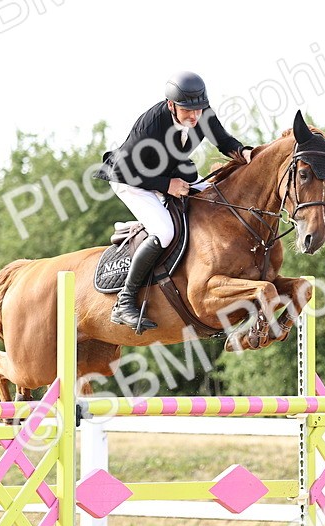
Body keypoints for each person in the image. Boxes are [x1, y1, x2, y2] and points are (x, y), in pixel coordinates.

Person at [96, 71, 252, 331]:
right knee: (165, 231)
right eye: (187, 112)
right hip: (131, 178)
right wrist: (167, 185)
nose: (194, 118)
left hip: (170, 173)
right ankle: (124, 301)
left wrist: (245, 152)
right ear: (171, 105)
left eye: (199, 111)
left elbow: (223, 141)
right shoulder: (152, 124)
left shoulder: (201, 112)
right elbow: (125, 170)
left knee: (216, 199)